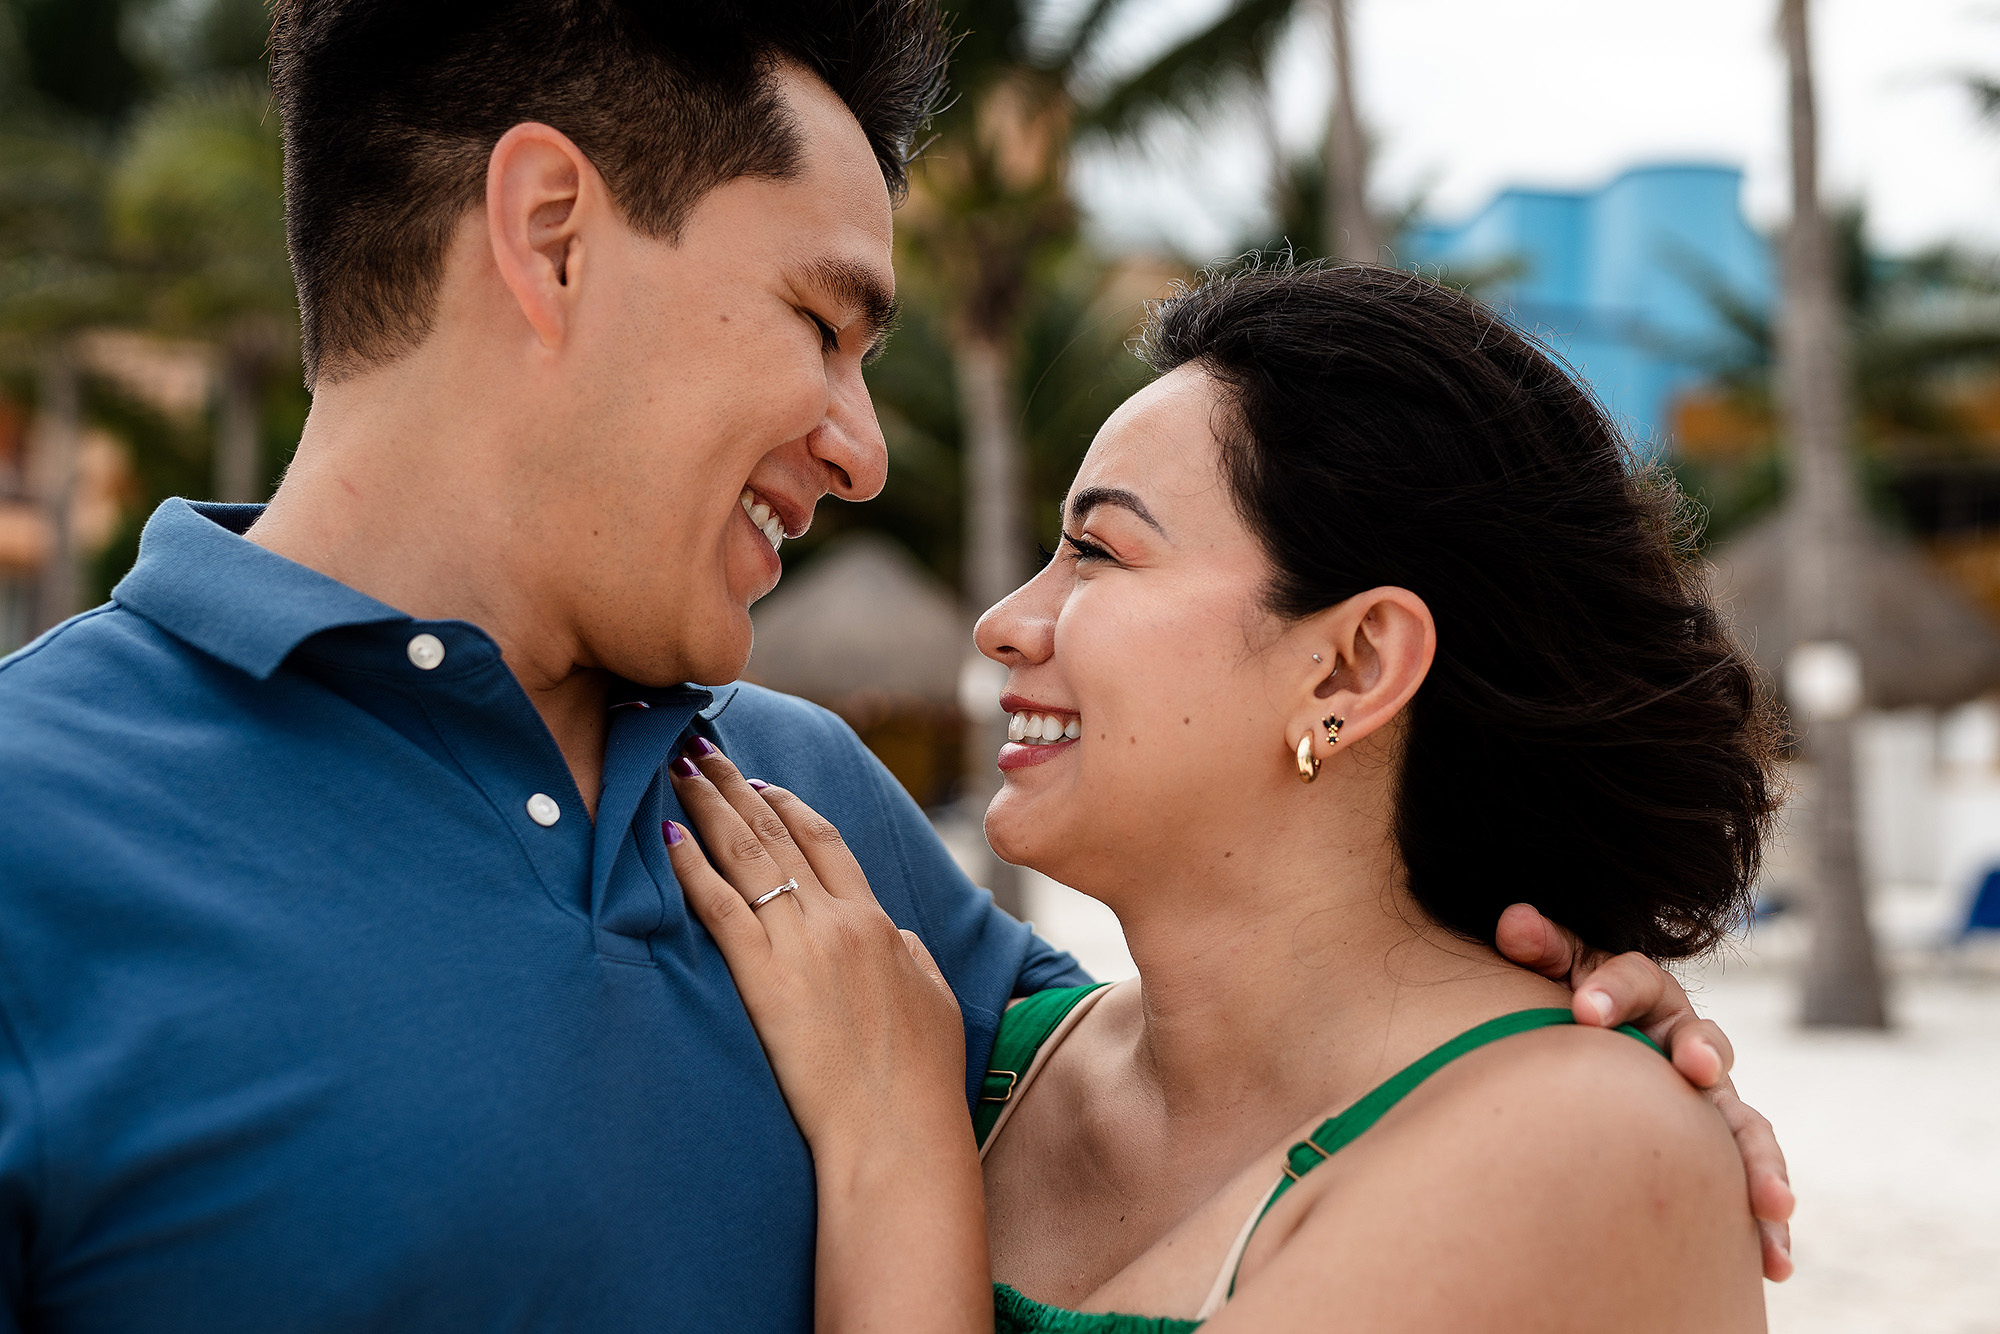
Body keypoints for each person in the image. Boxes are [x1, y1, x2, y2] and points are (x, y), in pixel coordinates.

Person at [0, 3, 1785, 1328]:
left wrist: (1585, 1054)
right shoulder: (34, 836)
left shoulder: (794, 809)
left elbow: (1251, 1066)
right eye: (821, 321)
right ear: (549, 233)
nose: (859, 447)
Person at [661, 262, 1786, 1332]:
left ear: (1349, 665)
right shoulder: (982, 1046)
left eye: (1096, 550)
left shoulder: (1576, 1142)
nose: (1004, 619)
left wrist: (896, 1153)